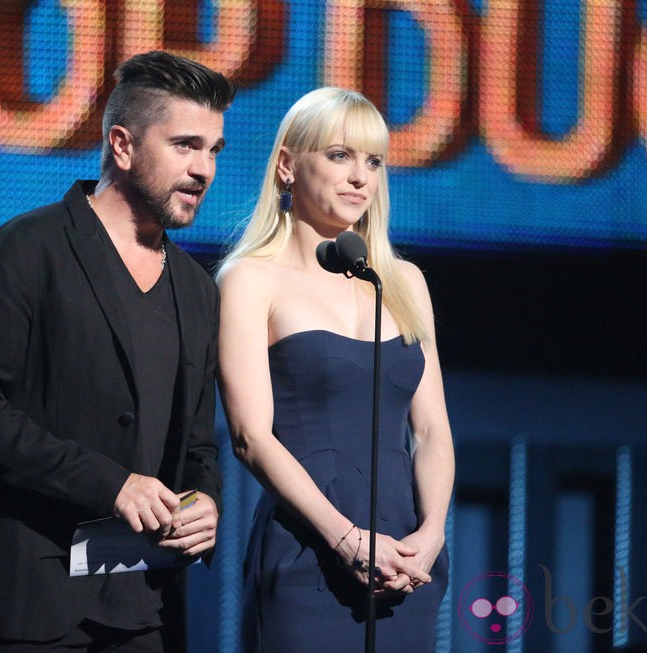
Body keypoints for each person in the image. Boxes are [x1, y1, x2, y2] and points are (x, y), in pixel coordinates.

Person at [0, 51, 235, 652]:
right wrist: (110, 484)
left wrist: (206, 504)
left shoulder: (198, 290)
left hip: (146, 609)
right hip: (30, 599)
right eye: (184, 145)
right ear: (122, 146)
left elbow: (197, 443)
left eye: (214, 150)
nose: (204, 169)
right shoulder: (29, 247)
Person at [216, 87, 455, 651]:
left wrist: (432, 534)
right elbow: (251, 437)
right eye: (340, 155)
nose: (360, 178)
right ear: (287, 166)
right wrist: (346, 540)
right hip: (310, 554)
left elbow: (432, 430)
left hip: (406, 560)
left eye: (373, 161)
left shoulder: (404, 282)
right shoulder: (250, 279)